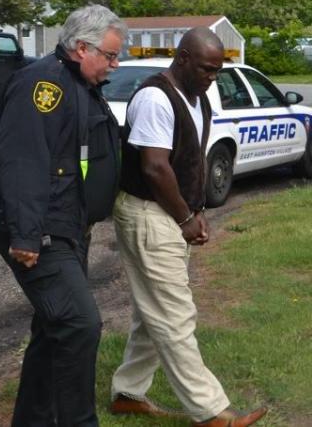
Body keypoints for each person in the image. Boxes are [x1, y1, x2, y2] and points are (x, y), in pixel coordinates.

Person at [110, 27, 268, 427]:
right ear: (182, 59)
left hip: (170, 213)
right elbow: (155, 167)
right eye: (205, 69)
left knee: (153, 311)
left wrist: (195, 212)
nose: (211, 78)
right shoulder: (154, 98)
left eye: (217, 71)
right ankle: (211, 412)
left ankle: (128, 394)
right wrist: (185, 218)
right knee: (176, 314)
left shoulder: (195, 97)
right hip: (148, 214)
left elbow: (187, 163)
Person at [0, 4, 127, 427]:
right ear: (82, 47)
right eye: (111, 56)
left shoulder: (79, 83)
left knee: (52, 329)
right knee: (80, 325)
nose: (115, 66)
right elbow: (23, 160)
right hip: (41, 233)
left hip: (68, 227)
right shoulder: (44, 84)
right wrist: (25, 235)